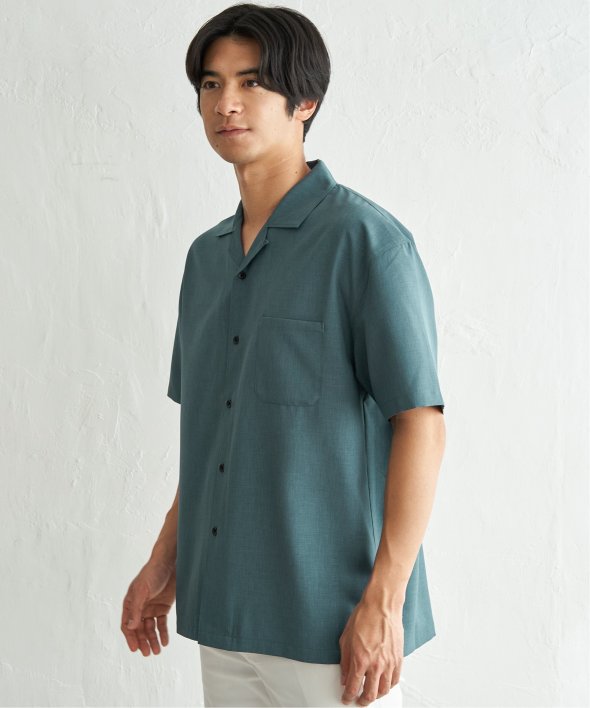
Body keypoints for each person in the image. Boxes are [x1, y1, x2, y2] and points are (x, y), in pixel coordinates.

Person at [120, 4, 446, 707]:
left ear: (305, 102)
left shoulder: (366, 243)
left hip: (336, 624)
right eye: (210, 84)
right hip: (224, 613)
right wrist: (163, 562)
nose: (225, 104)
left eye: (250, 82)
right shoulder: (205, 259)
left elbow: (421, 421)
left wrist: (384, 602)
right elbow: (216, 436)